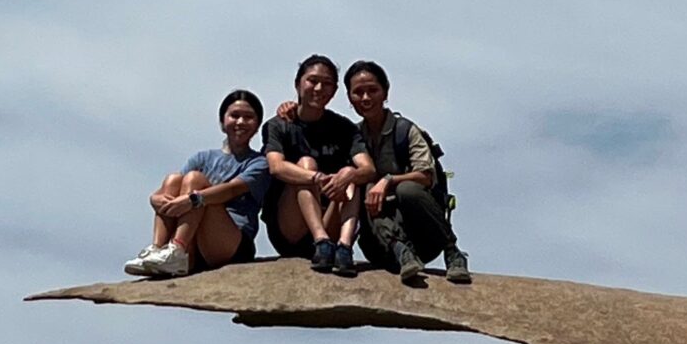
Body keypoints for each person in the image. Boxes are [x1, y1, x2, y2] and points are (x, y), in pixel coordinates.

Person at [345, 61, 471, 283]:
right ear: (349, 98)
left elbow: (426, 176)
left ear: (385, 92)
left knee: (407, 189)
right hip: (381, 244)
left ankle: (452, 252)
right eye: (358, 92)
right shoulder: (352, 136)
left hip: (425, 235)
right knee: (361, 184)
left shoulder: (405, 131)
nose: (365, 98)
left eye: (372, 90)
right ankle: (401, 251)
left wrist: (388, 180)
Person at [125, 90, 270, 277]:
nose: (240, 122)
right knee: (174, 180)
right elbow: (175, 189)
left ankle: (178, 249)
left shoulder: (259, 162)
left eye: (248, 117)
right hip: (197, 242)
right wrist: (155, 199)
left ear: (257, 125)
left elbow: (232, 189)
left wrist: (194, 199)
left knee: (195, 180)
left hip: (230, 242)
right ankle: (158, 249)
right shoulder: (203, 158)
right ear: (222, 121)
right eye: (234, 116)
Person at [260, 55, 375, 277]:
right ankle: (320, 240)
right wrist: (316, 178)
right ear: (298, 83)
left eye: (327, 83)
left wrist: (348, 174)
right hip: (290, 228)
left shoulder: (344, 128)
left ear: (333, 91)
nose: (319, 88)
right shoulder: (279, 126)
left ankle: (343, 246)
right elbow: (276, 167)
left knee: (351, 175)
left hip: (329, 218)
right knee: (305, 165)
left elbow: (368, 169)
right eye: (312, 80)